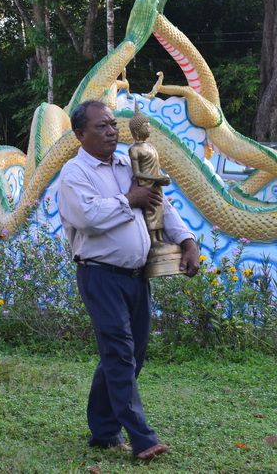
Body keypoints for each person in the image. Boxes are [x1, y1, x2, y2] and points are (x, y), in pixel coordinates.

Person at [57, 100, 200, 460]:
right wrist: (129, 198)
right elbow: (88, 217)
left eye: (112, 125)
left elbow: (160, 205)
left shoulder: (129, 162)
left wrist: (187, 241)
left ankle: (103, 433)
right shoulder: (74, 173)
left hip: (138, 276)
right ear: (80, 134)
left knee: (129, 355)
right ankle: (142, 437)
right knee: (120, 353)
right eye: (101, 127)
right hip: (100, 275)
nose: (111, 132)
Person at [128, 109, 174, 249]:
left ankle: (160, 237)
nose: (149, 130)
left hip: (156, 184)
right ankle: (153, 239)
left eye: (149, 126)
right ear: (136, 130)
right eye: (145, 127)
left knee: (159, 210)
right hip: (145, 186)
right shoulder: (134, 149)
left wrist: (162, 178)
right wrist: (156, 178)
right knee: (150, 211)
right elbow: (137, 173)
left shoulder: (150, 147)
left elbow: (156, 167)